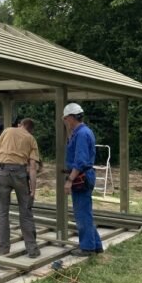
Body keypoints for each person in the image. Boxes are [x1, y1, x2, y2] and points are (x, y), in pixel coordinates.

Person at [0, 118, 41, 258]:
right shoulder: (31, 139)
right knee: (25, 213)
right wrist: (33, 190)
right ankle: (32, 249)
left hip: (2, 172)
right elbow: (32, 167)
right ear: (30, 128)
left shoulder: (7, 131)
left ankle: (3, 248)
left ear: (21, 125)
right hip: (20, 173)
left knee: (2, 212)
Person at [63, 103, 104, 256]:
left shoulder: (80, 134)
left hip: (81, 177)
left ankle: (87, 248)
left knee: (82, 214)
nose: (66, 122)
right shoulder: (83, 132)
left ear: (72, 118)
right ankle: (96, 245)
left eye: (66, 119)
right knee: (86, 212)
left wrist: (69, 180)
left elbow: (80, 161)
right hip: (86, 175)